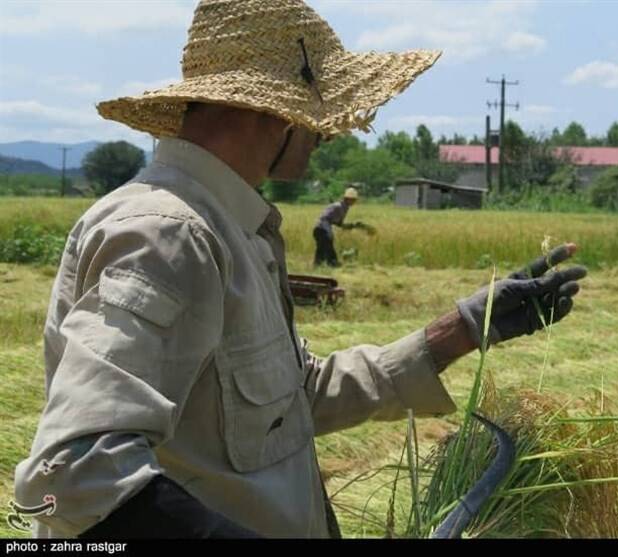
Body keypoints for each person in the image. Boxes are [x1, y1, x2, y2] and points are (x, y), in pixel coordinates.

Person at [14, 0, 587, 539]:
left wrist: (461, 328)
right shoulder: (169, 235)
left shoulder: (229, 229)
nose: (329, 132)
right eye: (319, 116)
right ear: (273, 112)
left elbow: (289, 400)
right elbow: (78, 473)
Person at [313, 187, 359, 267]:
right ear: (347, 199)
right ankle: (332, 263)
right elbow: (324, 218)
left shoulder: (345, 208)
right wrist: (328, 232)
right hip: (320, 228)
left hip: (324, 228)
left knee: (322, 248)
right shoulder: (337, 206)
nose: (354, 202)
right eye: (352, 199)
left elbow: (338, 223)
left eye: (354, 200)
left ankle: (318, 264)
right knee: (327, 245)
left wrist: (351, 226)